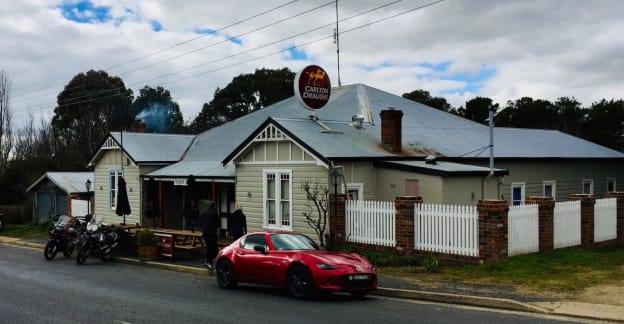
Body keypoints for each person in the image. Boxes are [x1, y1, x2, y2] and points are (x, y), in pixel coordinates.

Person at [199, 201, 220, 270]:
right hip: (212, 233)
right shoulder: (215, 213)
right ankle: (211, 262)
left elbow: (200, 223)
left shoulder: (204, 213)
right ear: (215, 207)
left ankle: (209, 261)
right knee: (213, 247)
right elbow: (218, 224)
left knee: (209, 247)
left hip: (205, 233)